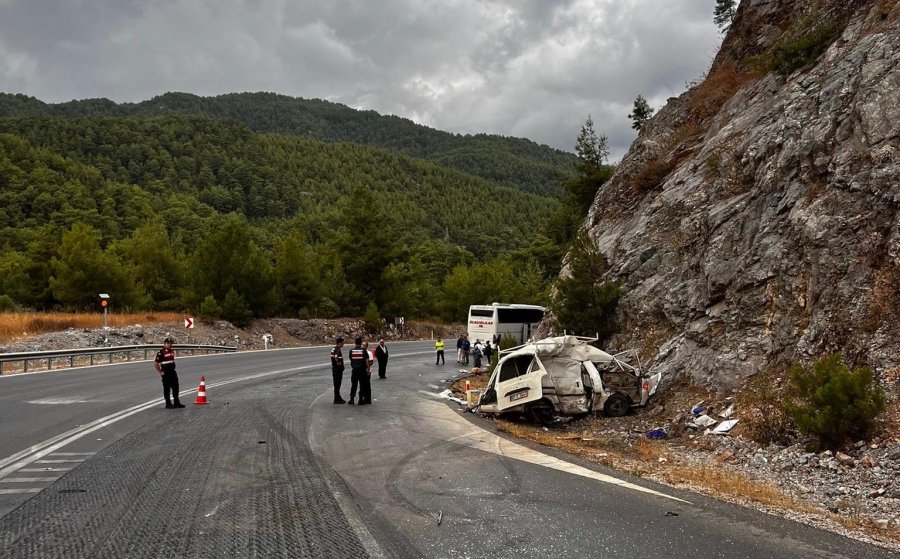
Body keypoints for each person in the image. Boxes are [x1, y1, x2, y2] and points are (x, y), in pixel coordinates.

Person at [154, 337, 184, 409]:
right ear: (164, 344)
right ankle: (168, 403)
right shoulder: (160, 352)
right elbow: (155, 364)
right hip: (166, 373)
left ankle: (176, 402)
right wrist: (160, 372)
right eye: (167, 343)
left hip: (172, 372)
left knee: (176, 387)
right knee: (167, 388)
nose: (169, 344)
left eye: (170, 343)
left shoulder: (172, 351)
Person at [348, 337, 369, 405]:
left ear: (355, 343)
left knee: (354, 385)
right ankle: (360, 399)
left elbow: (351, 359)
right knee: (362, 385)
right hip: (362, 370)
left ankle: (352, 399)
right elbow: (367, 361)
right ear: (360, 343)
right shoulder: (363, 351)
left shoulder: (351, 351)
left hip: (354, 370)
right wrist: (368, 370)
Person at [330, 337, 346, 404]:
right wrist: (339, 365)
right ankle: (337, 398)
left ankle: (338, 397)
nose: (343, 344)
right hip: (337, 370)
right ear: (339, 343)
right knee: (337, 384)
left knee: (336, 384)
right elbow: (336, 357)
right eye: (343, 343)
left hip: (335, 369)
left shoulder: (333, 348)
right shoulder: (337, 349)